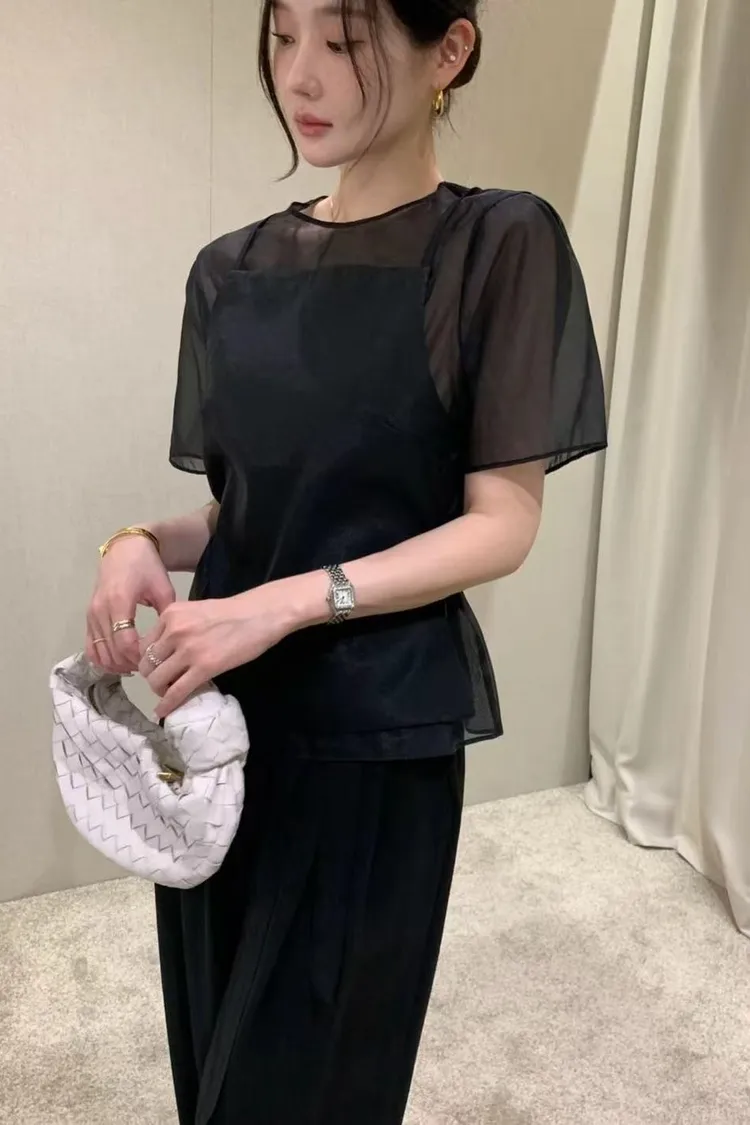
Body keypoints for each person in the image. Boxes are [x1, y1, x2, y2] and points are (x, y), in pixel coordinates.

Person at [85, 1, 608, 1122]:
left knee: (320, 1077)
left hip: (374, 731)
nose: (301, 75)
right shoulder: (227, 272)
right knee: (217, 1053)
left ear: (449, 50)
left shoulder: (495, 244)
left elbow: (501, 522)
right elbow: (256, 507)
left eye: (345, 37)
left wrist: (278, 605)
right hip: (216, 724)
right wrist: (138, 545)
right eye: (283, 36)